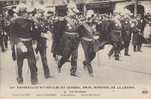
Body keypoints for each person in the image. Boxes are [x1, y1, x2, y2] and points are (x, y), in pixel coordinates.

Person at [9, 6, 38, 85]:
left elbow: (34, 33)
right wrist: (19, 44)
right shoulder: (14, 21)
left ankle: (34, 80)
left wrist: (35, 43)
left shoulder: (30, 21)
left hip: (29, 44)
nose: (27, 14)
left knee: (32, 63)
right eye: (25, 12)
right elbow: (12, 35)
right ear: (21, 13)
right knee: (19, 64)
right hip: (20, 45)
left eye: (27, 12)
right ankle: (20, 79)